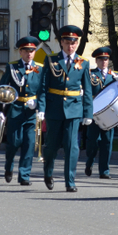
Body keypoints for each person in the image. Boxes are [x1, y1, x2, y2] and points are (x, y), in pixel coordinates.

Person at [41, 25, 93, 192]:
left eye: (74, 42)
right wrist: (41, 108)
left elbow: (88, 90)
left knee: (72, 146)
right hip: (54, 109)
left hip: (74, 109)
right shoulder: (51, 60)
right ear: (61, 42)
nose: (71, 46)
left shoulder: (83, 63)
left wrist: (88, 112)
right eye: (68, 42)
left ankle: (70, 181)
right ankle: (48, 172)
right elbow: (43, 87)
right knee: (51, 146)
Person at [0, 36, 46, 186]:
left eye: (32, 50)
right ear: (20, 52)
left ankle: (24, 175)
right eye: (26, 50)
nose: (29, 53)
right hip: (16, 109)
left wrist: (39, 106)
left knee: (29, 143)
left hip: (31, 112)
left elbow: (43, 90)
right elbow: (1, 90)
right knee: (14, 142)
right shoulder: (12, 67)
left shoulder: (40, 68)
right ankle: (8, 166)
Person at [85, 46, 118, 179]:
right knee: (93, 142)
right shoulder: (90, 74)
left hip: (109, 114)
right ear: (96, 60)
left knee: (107, 142)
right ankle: (90, 161)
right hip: (94, 113)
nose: (103, 62)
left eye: (105, 59)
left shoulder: (113, 76)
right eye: (100, 59)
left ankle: (104, 170)